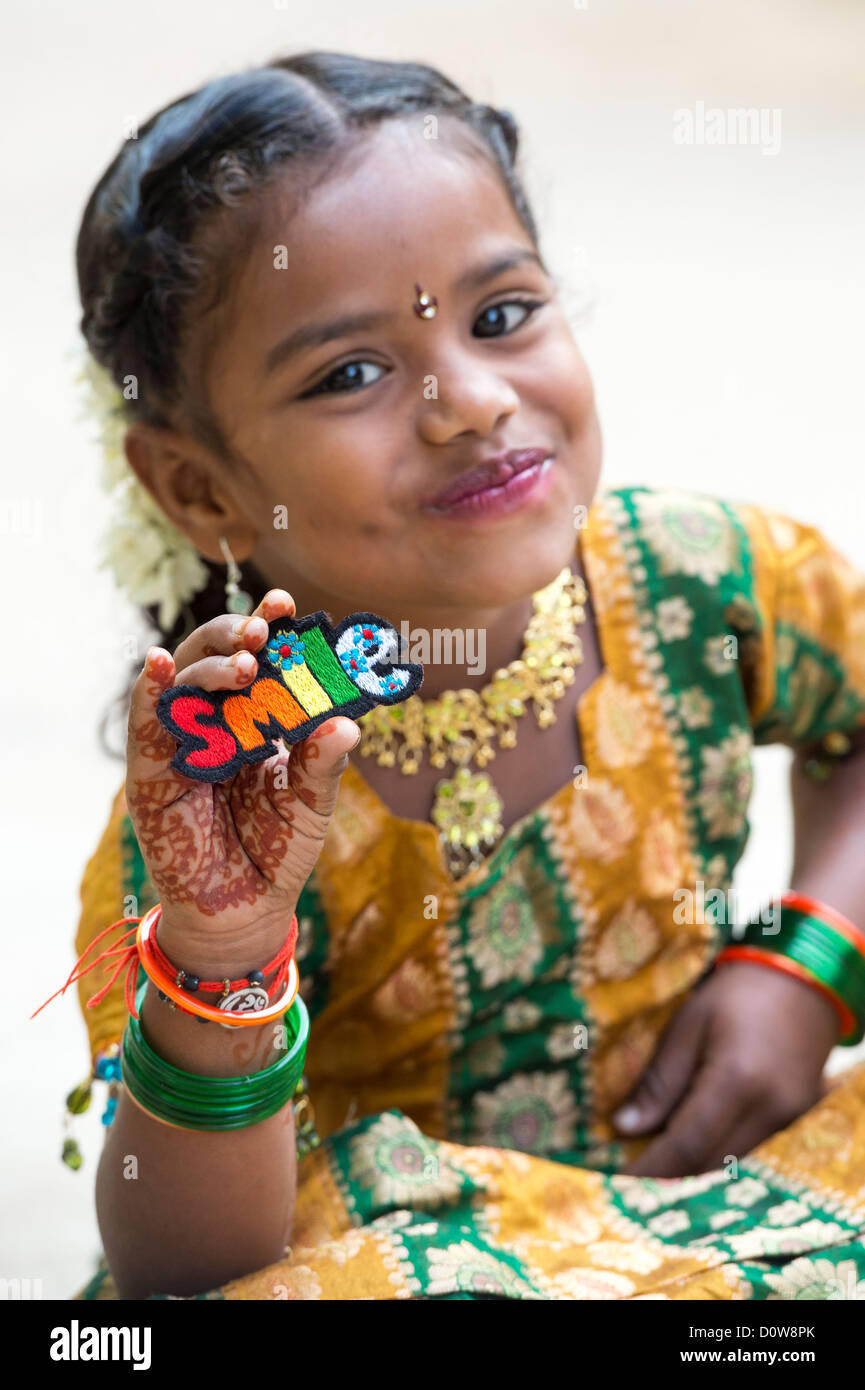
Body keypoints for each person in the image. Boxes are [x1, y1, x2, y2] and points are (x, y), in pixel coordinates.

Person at [56, 51, 865, 1301]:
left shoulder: (702, 575)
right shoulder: (224, 808)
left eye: (500, 317)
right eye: (350, 375)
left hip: (734, 1206)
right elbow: (185, 1271)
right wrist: (225, 953)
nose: (473, 403)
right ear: (198, 488)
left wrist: (806, 962)